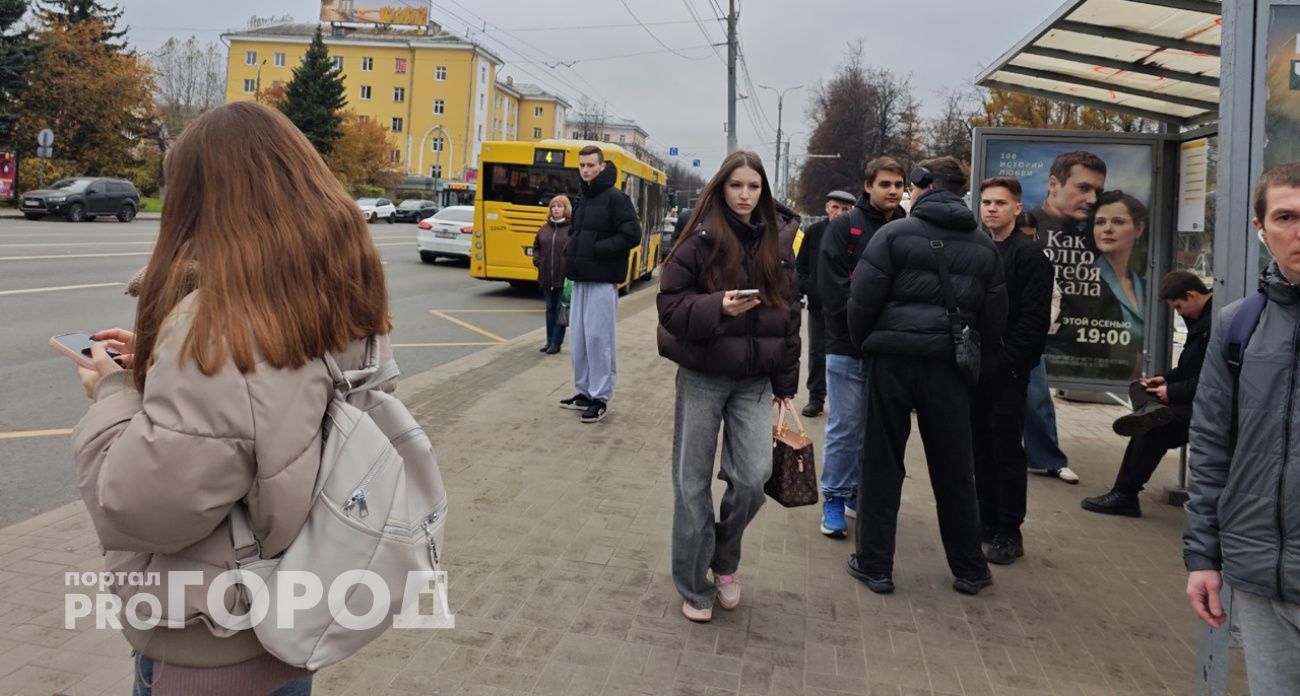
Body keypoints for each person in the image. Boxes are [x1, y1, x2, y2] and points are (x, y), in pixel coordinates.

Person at [68, 102, 394, 695]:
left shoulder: (219, 326)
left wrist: (113, 392)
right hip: (289, 617)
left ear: (201, 199)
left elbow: (140, 510)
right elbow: (264, 406)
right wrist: (165, 365)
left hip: (208, 642)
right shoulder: (337, 296)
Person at [846, 156, 1007, 596]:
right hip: (948, 367)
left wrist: (869, 344)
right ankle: (969, 569)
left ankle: (875, 565)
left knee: (882, 463)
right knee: (955, 470)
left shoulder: (893, 235)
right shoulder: (982, 244)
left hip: (893, 361)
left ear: (924, 185)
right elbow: (995, 318)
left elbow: (861, 301)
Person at [657, 150, 801, 623]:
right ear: (721, 187)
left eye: (753, 187)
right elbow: (670, 307)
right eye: (736, 185)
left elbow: (790, 316)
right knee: (691, 484)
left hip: (754, 381)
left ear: (763, 190)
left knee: (753, 478)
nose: (744, 195)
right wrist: (718, 306)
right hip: (702, 376)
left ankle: (724, 559)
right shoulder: (698, 239)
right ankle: (693, 583)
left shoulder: (778, 243)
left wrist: (786, 381)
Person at [1185, 162, 1300, 693]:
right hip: (1259, 578)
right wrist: (1203, 556)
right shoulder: (1238, 324)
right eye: (1286, 217)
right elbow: (1211, 445)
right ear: (1261, 229)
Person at [815, 157, 908, 538]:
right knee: (845, 426)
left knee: (877, 430)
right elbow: (832, 293)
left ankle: (857, 492)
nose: (892, 190)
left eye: (898, 184)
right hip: (848, 345)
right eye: (885, 183)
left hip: (891, 348)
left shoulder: (909, 227)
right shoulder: (844, 228)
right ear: (867, 186)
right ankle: (834, 498)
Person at [1083, 271, 1212, 517]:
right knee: (1140, 387)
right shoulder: (1199, 318)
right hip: (1186, 396)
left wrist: (1169, 392)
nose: (1179, 313)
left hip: (1206, 405)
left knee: (1151, 429)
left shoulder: (1215, 323)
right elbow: (1189, 368)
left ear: (1192, 295)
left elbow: (1211, 380)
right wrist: (1163, 379)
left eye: (1178, 306)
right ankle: (1151, 411)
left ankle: (1124, 494)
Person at [973, 178, 1053, 565]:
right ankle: (984, 520)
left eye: (1000, 203)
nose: (991, 209)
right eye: (986, 202)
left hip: (1006, 372)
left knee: (1005, 450)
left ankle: (1009, 529)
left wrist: (1008, 365)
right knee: (978, 448)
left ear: (1017, 209)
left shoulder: (1029, 256)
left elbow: (1034, 321)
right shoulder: (978, 248)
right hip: (974, 369)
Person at [560, 145, 641, 423]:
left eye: (591, 165)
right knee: (579, 339)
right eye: (582, 165)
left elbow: (632, 235)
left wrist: (598, 248)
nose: (585, 170)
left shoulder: (617, 198)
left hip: (603, 280)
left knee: (598, 338)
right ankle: (583, 391)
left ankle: (600, 396)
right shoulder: (582, 197)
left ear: (602, 166)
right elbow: (575, 232)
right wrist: (572, 249)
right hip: (581, 278)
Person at [1015, 211, 1079, 484]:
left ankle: (1047, 458)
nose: (1029, 242)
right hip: (997, 336)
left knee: (1037, 399)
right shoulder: (989, 250)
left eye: (1032, 237)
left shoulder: (1040, 258)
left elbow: (1054, 296)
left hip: (1028, 337)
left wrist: (1043, 323)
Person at [794, 189, 856, 418]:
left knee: (845, 355)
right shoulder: (814, 232)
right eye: (835, 207)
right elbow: (800, 268)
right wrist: (812, 288)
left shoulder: (855, 234)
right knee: (817, 353)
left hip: (847, 309)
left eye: (845, 209)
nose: (839, 213)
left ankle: (844, 401)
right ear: (827, 208)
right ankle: (816, 398)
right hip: (819, 307)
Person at [1028, 150, 1107, 239]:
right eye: (1083, 188)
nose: (1093, 200)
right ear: (1053, 185)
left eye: (1098, 192)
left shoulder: (1094, 236)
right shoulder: (1022, 229)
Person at [533, 194, 572, 355]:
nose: (555, 209)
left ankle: (556, 343)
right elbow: (536, 246)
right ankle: (549, 341)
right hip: (546, 277)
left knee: (559, 310)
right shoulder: (544, 228)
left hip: (564, 278)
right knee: (550, 310)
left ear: (566, 209)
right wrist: (537, 260)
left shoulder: (571, 229)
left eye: (559, 206)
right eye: (553, 206)